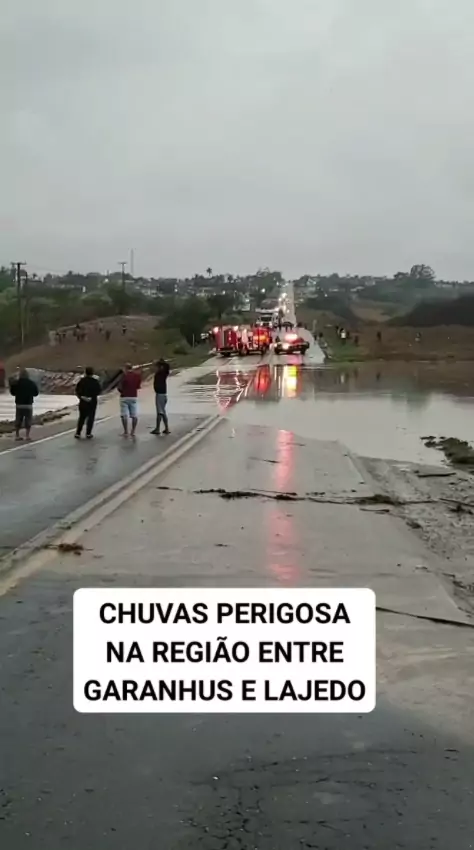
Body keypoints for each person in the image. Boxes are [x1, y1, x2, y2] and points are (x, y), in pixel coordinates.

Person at [10, 368, 39, 442]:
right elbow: (36, 393)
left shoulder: (16, 383)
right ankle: (27, 435)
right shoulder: (31, 383)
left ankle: (17, 435)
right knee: (28, 420)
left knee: (18, 420)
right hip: (28, 404)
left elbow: (12, 393)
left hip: (19, 404)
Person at [74, 366, 102, 439]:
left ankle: (78, 433)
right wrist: (92, 396)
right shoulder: (95, 381)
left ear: (85, 372)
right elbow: (99, 391)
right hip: (92, 401)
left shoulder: (81, 381)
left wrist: (82, 397)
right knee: (91, 417)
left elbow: (77, 391)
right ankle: (88, 433)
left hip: (83, 401)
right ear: (92, 373)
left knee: (82, 417)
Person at [118, 363, 141, 437]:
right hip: (133, 396)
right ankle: (133, 431)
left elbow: (119, 387)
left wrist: (122, 391)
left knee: (124, 415)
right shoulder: (137, 376)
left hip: (124, 396)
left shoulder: (124, 376)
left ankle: (126, 431)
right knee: (134, 415)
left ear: (126, 368)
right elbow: (138, 386)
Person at [151, 358, 170, 435]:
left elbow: (166, 365)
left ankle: (158, 428)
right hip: (162, 394)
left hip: (160, 395)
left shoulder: (162, 373)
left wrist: (159, 362)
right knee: (162, 412)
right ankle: (166, 428)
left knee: (160, 412)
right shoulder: (163, 373)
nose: (155, 367)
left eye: (157, 366)